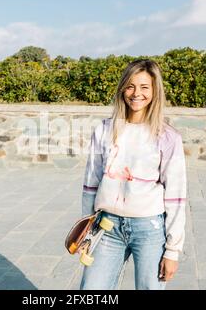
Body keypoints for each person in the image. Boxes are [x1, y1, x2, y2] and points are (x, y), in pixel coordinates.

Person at [80, 59, 187, 290]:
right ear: (122, 90)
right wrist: (86, 231)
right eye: (130, 86)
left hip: (149, 229)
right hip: (106, 227)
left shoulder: (168, 137)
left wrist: (173, 251)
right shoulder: (104, 130)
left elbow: (176, 197)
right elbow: (91, 183)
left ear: (155, 91)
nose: (136, 93)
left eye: (144, 87)